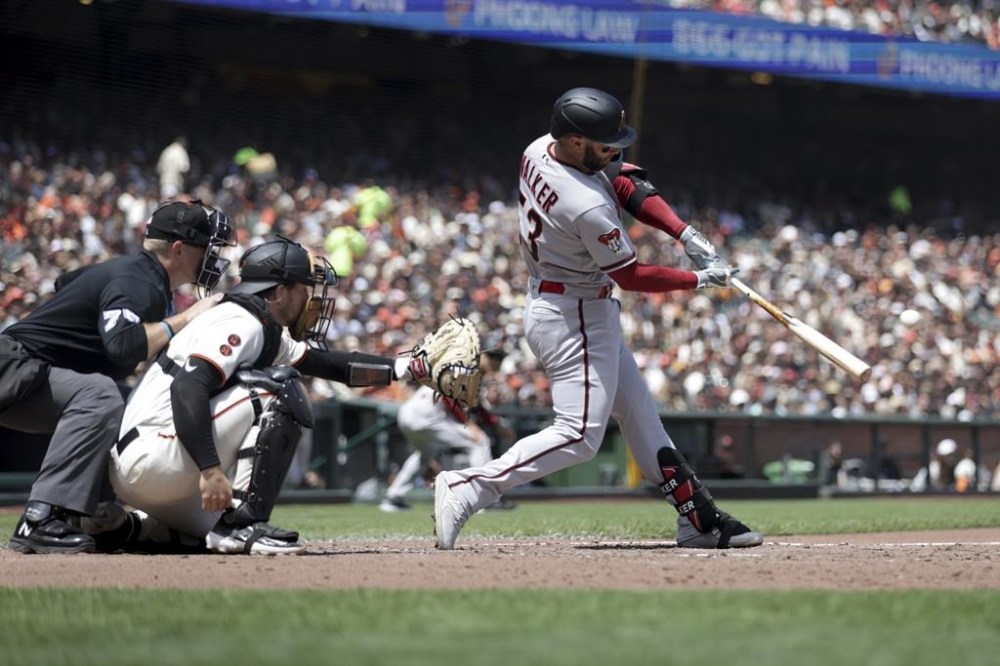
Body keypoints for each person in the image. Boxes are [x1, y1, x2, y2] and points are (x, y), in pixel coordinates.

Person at [432, 87, 763, 550]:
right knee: (579, 435)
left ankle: (699, 520)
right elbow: (630, 274)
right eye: (603, 142)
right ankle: (471, 487)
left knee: (644, 422)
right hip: (576, 314)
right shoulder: (584, 203)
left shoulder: (537, 149)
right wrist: (699, 280)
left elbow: (625, 179)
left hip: (569, 304)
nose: (615, 149)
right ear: (573, 142)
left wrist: (683, 231)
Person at [107, 237, 457, 554]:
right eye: (304, 288)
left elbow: (331, 365)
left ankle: (129, 526)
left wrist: (408, 368)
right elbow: (188, 387)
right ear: (278, 291)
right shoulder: (241, 320)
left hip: (146, 469)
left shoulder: (258, 323)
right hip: (156, 454)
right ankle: (244, 525)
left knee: (207, 535)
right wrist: (211, 470)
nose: (311, 299)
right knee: (282, 387)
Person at [0, 199, 234, 554]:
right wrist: (188, 317)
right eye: (207, 247)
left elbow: (67, 282)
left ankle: (90, 516)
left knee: (129, 405)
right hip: (15, 367)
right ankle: (40, 516)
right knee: (101, 395)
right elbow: (123, 345)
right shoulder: (138, 279)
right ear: (179, 248)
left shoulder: (138, 276)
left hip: (31, 371)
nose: (213, 257)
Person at [380, 351, 512, 513]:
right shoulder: (467, 367)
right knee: (479, 442)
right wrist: (468, 423)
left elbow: (475, 406)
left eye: (499, 358)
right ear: (481, 355)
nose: (495, 361)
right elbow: (449, 396)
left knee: (425, 454)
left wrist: (495, 423)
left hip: (410, 413)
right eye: (492, 357)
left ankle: (393, 497)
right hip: (427, 413)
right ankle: (484, 498)